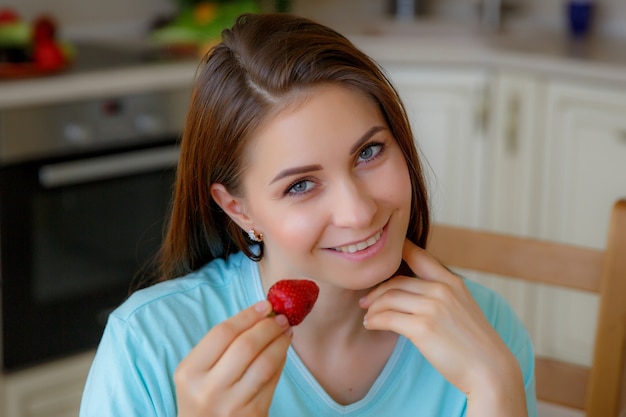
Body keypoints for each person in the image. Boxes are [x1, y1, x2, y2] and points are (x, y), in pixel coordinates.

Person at [80, 13, 537, 417]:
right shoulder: (147, 344)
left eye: (369, 152)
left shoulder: (486, 328)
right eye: (300, 185)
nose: (358, 212)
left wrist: (497, 390)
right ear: (238, 208)